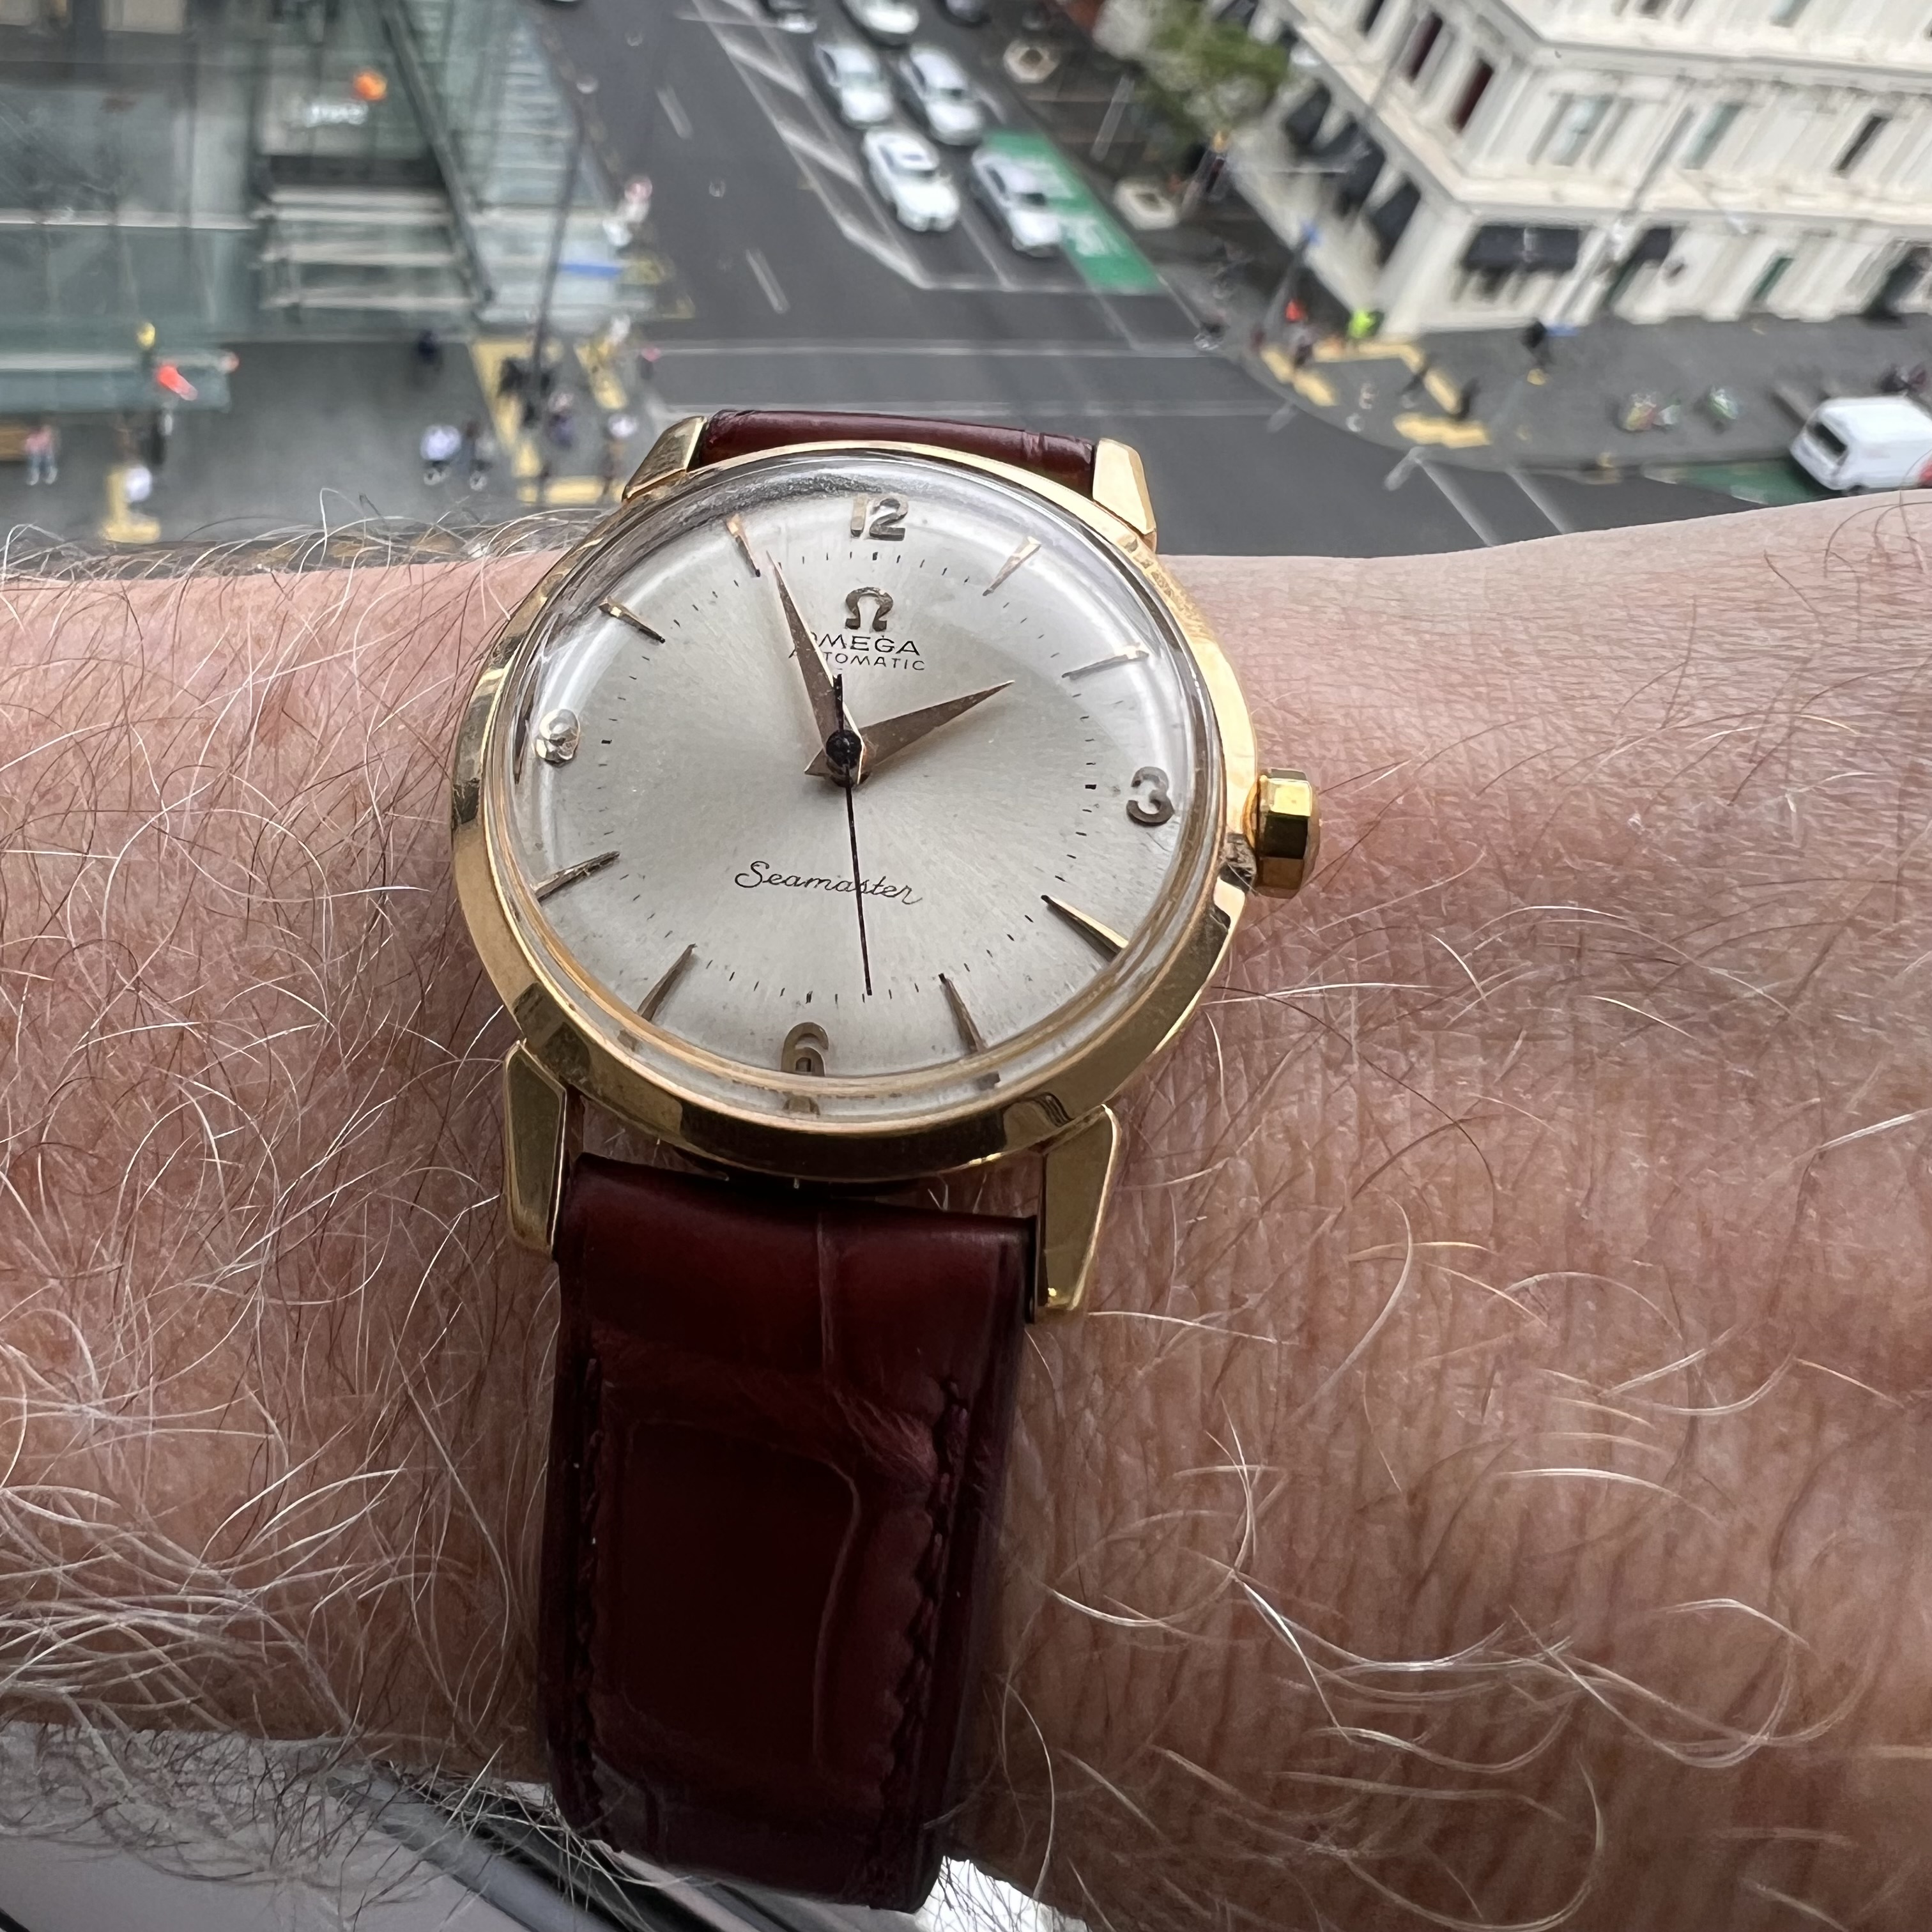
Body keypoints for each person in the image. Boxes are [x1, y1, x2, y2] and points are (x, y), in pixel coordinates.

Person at [0, 499, 1929, 1932]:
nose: (844, 757)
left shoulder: (1141, 873)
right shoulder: (559, 799)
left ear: (1253, 831)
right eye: (841, 733)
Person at [22, 420, 56, 485]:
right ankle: (34, 476)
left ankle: (50, 474)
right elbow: (28, 448)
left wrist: (45, 450)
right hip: (36, 453)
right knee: (34, 461)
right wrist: (32, 452)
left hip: (45, 452)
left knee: (48, 459)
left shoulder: (45, 436)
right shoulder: (31, 439)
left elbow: (48, 445)